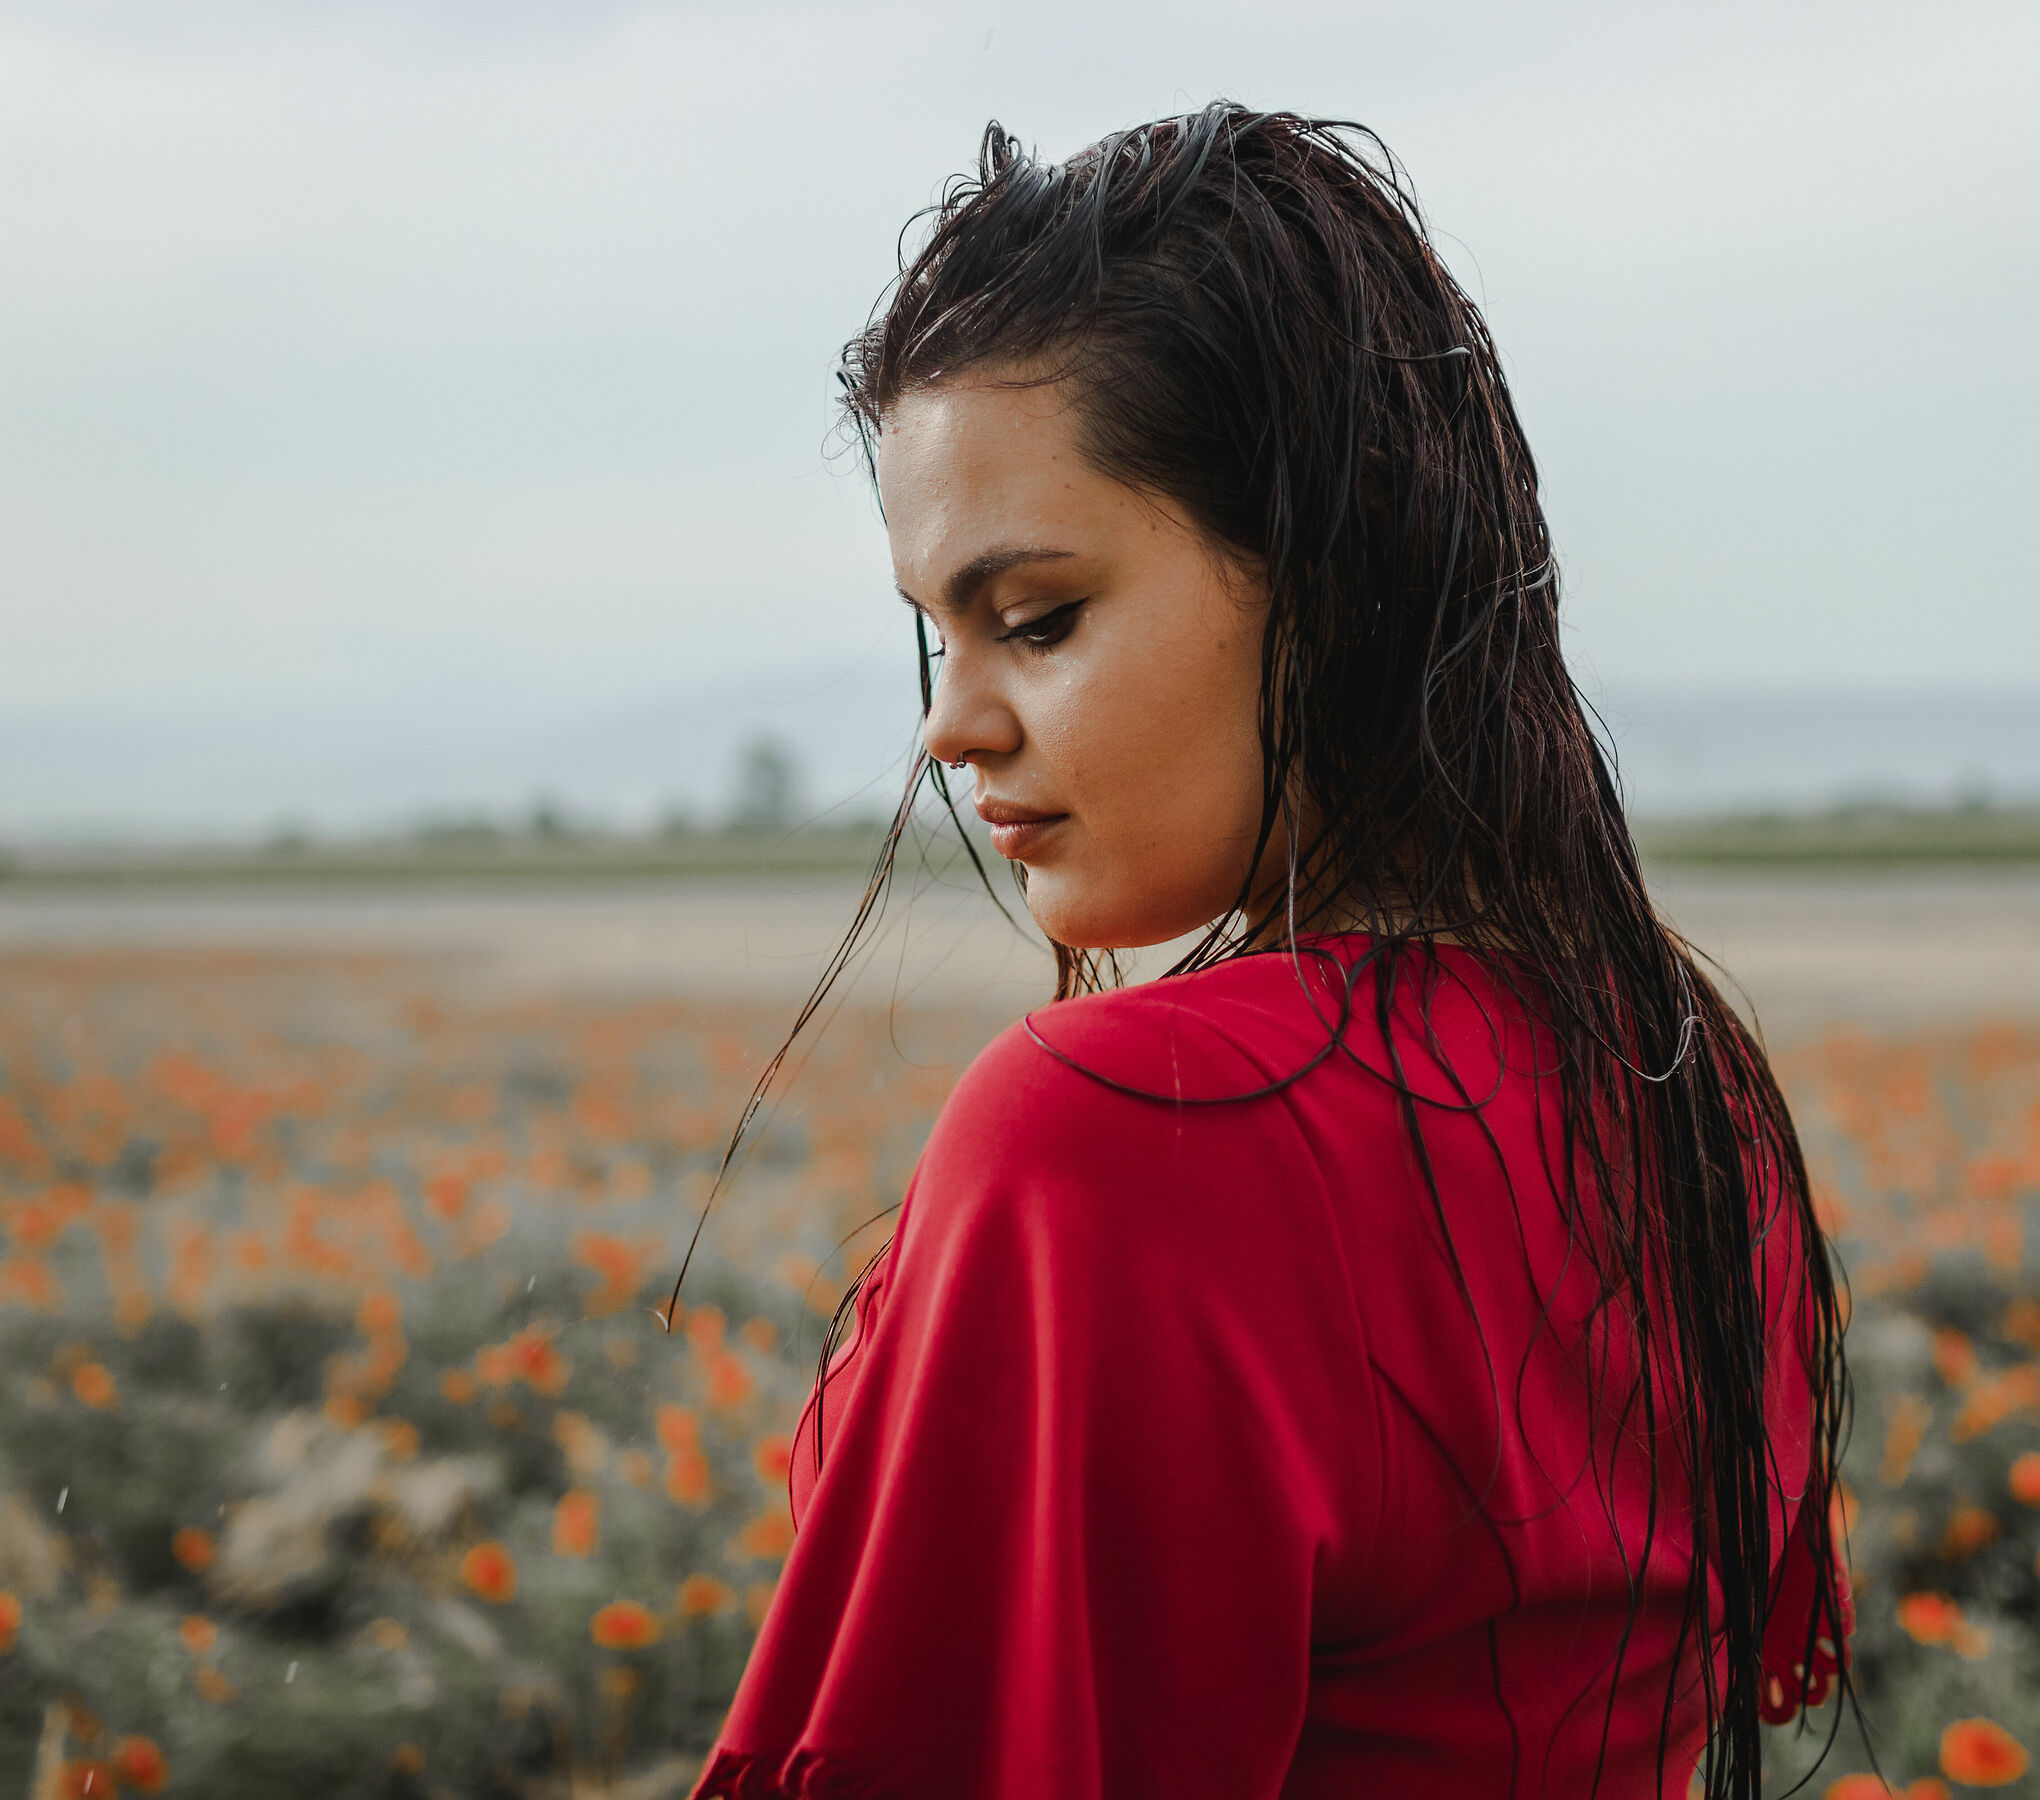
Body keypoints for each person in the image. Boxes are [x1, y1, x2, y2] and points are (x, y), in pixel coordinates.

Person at [689, 107, 1849, 1800]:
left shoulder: (1125, 1130)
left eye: (1038, 619)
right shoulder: (1678, 1068)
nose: (950, 727)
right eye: (934, 634)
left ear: (1332, 571)